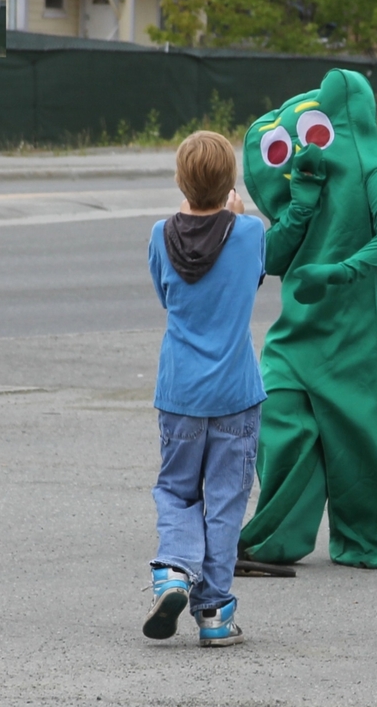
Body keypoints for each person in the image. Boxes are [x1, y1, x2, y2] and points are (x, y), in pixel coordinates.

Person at [237, 68, 377, 569]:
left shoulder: (370, 169)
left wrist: (340, 271)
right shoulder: (303, 182)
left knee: (361, 437)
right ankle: (275, 538)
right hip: (300, 332)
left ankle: (373, 537)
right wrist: (298, 209)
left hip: (362, 331)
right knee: (279, 415)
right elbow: (268, 260)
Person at [142, 130, 267, 647]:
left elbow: (164, 294)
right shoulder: (250, 232)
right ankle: (214, 611)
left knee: (176, 488)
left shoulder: (158, 234)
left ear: (179, 181)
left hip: (181, 391)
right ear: (231, 182)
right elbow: (255, 275)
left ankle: (172, 569)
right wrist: (233, 214)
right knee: (225, 500)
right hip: (236, 391)